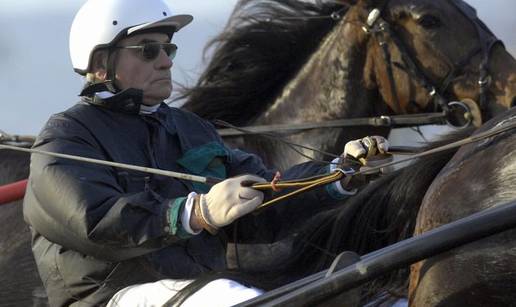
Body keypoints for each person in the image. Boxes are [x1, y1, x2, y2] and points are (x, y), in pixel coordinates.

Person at [23, 0, 389, 306]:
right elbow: (95, 222)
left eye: (168, 49)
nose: (165, 61)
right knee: (227, 298)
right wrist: (195, 212)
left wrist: (336, 175)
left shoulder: (190, 128)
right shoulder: (66, 136)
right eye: (149, 50)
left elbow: (263, 201)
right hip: (110, 297)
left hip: (196, 287)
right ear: (101, 63)